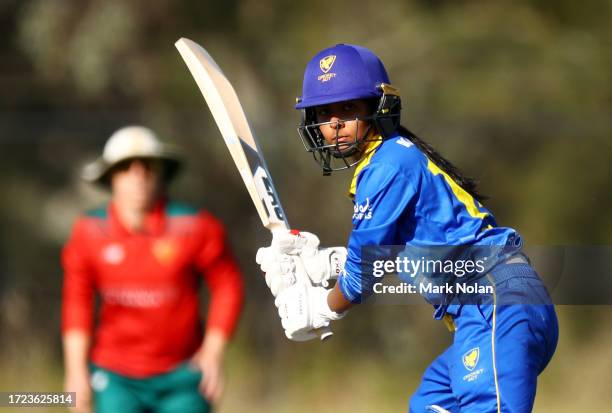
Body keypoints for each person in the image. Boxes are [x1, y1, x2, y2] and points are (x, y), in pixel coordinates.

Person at [256, 44, 558, 412]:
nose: (333, 123)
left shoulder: (388, 165)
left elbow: (363, 273)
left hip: (493, 303)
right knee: (430, 402)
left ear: (379, 108)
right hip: (503, 303)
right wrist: (324, 262)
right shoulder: (395, 157)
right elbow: (400, 252)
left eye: (348, 109)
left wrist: (321, 308)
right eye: (323, 112)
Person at [62, 126, 244, 413]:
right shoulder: (88, 232)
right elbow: (77, 303)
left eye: (147, 165)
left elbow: (227, 286)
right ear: (111, 176)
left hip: (183, 376)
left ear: (161, 173)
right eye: (125, 167)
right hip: (115, 376)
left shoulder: (196, 227)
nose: (138, 174)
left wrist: (213, 351)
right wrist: (75, 372)